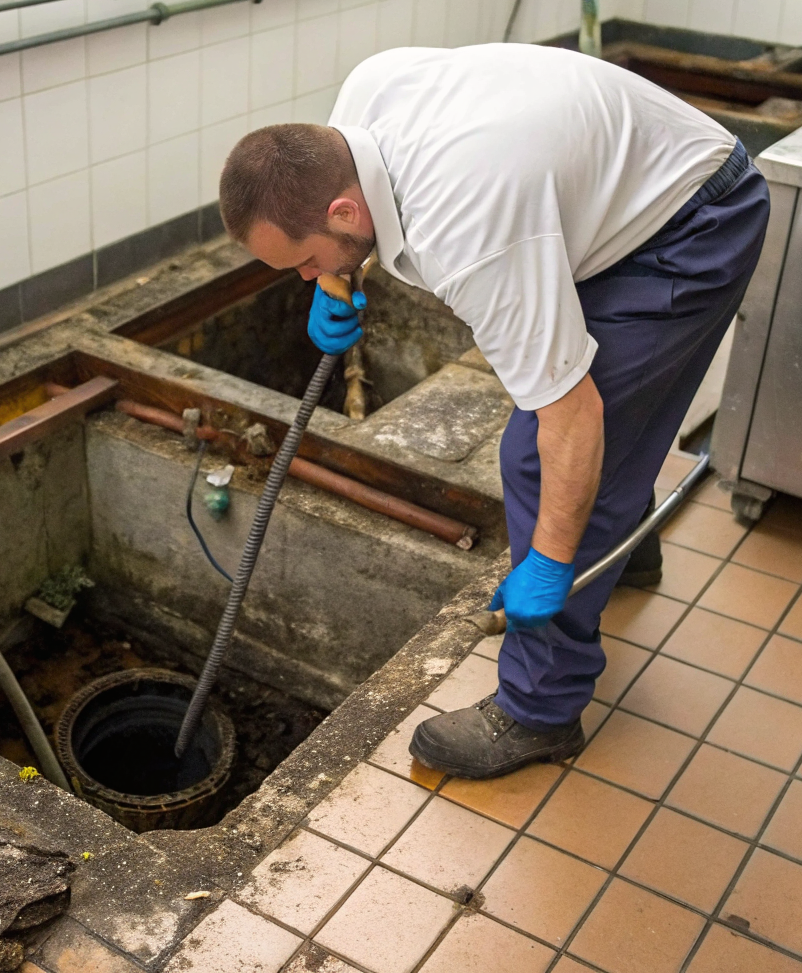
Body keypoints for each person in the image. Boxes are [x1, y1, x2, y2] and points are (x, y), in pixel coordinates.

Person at [216, 42, 770, 780]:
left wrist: (545, 560)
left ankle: (540, 709)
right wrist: (333, 283)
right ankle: (620, 545)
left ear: (344, 209)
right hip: (627, 182)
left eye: (305, 263)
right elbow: (354, 227)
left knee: (538, 457)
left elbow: (572, 414)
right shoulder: (362, 102)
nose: (309, 276)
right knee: (598, 433)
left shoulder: (470, 231)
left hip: (693, 223)